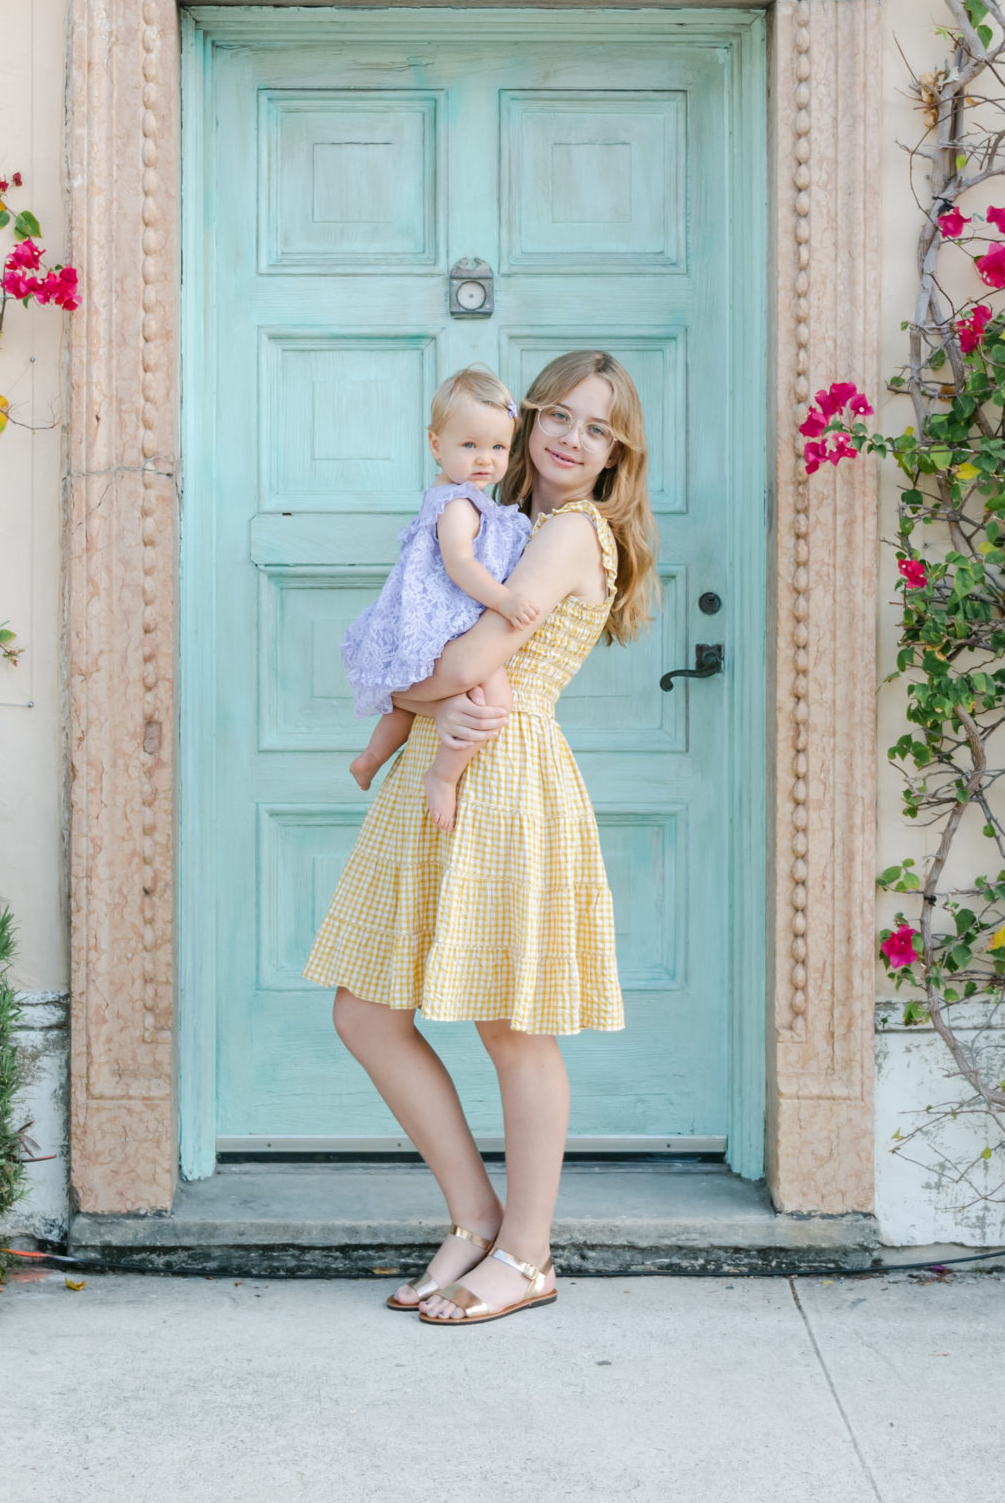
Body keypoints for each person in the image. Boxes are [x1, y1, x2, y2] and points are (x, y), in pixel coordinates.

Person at [304, 349, 657, 1326]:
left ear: (615, 454)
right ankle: (473, 1218)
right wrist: (419, 695)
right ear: (526, 418)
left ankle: (528, 1253)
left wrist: (405, 690)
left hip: (503, 777)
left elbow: (463, 659)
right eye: (556, 414)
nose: (568, 437)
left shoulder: (575, 533)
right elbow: (434, 664)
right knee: (366, 1011)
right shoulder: (503, 524)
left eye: (596, 428)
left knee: (511, 1025)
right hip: (434, 767)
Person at [341, 366, 540, 833]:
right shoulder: (457, 504)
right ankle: (444, 774)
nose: (485, 459)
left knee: (407, 702)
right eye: (469, 445)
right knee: (494, 697)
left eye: (497, 447)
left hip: (440, 610)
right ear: (436, 445)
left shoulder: (454, 494)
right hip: (447, 611)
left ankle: (370, 758)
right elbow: (459, 565)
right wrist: (506, 600)